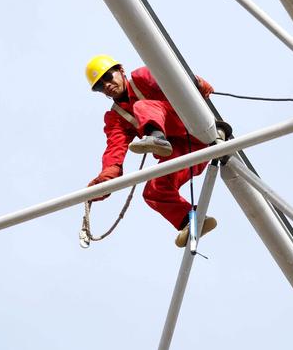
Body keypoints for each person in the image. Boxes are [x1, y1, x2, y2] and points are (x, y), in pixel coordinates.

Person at [85, 54, 217, 247]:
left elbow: (178, 80)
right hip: (186, 150)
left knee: (142, 106)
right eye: (99, 85)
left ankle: (157, 137)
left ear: (120, 71)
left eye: (108, 77)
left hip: (192, 126)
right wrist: (106, 180)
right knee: (154, 190)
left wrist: (197, 84)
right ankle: (191, 220)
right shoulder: (117, 117)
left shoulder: (142, 77)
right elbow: (115, 148)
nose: (106, 85)